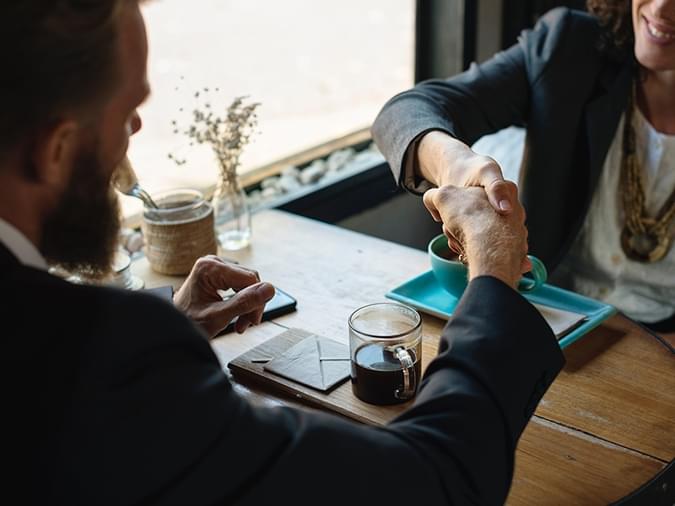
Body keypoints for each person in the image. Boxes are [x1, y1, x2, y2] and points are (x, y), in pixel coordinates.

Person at [1, 1, 564, 504]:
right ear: (57, 149)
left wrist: (168, 325)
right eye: (127, 109)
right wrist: (491, 267)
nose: (136, 127)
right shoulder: (97, 366)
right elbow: (431, 480)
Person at [372, 0, 675, 336]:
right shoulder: (570, 45)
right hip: (548, 328)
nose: (661, 8)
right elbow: (404, 113)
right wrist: (456, 165)